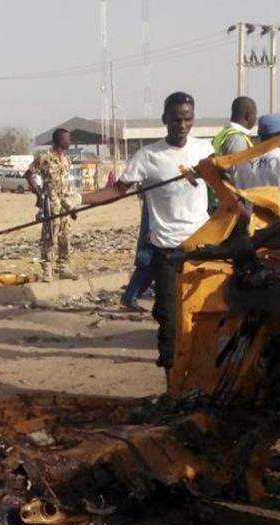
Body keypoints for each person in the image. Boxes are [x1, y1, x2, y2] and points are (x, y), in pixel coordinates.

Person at [82, 92, 213, 373]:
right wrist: (78, 200)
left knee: (206, 316)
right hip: (168, 252)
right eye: (176, 119)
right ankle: (172, 385)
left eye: (187, 119)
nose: (181, 125)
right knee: (170, 319)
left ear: (193, 120)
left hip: (203, 249)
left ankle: (200, 382)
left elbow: (227, 184)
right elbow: (116, 190)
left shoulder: (206, 151)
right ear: (165, 120)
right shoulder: (148, 156)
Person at [26, 129, 79, 281]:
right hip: (51, 202)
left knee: (65, 236)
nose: (69, 142)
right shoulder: (44, 158)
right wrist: (38, 194)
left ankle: (63, 267)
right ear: (59, 141)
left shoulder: (67, 160)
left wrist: (72, 207)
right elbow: (28, 174)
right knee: (50, 235)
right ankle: (47, 270)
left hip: (65, 203)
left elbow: (67, 185)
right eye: (67, 139)